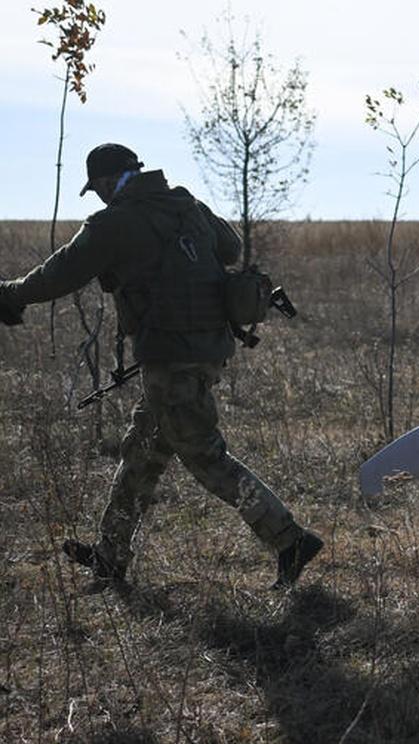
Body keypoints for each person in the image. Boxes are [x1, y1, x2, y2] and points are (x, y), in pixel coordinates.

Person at [0, 143, 323, 591]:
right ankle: (111, 555)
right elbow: (228, 247)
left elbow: (63, 272)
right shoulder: (185, 202)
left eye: (96, 189)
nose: (97, 197)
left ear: (110, 181)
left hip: (172, 357)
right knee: (142, 450)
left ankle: (291, 540)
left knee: (205, 457)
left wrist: (11, 294)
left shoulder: (113, 221)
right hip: (205, 347)